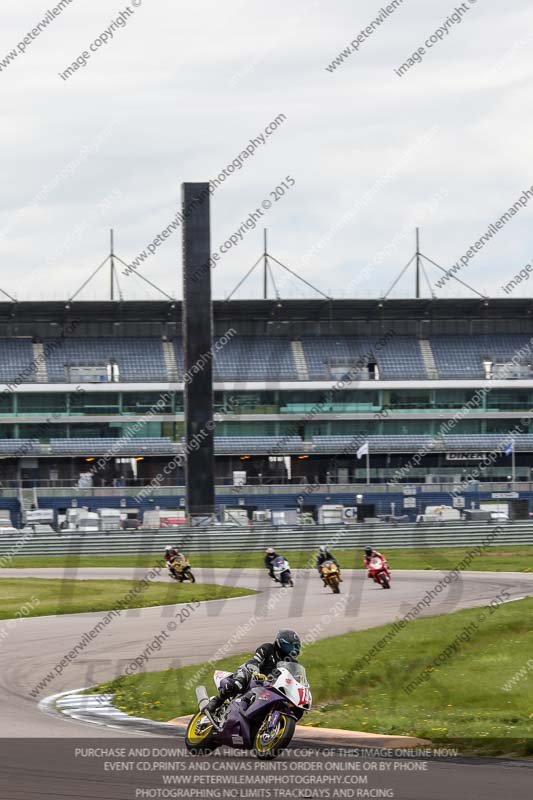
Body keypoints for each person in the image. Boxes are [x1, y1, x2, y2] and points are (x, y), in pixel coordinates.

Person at [204, 629, 301, 721]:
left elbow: (295, 679)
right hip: (250, 673)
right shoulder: (268, 648)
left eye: (295, 648)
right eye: (290, 647)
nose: (292, 650)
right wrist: (255, 671)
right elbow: (255, 660)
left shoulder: (293, 663)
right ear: (280, 643)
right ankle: (215, 703)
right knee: (238, 684)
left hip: (269, 685)